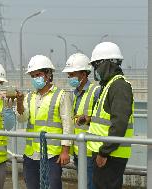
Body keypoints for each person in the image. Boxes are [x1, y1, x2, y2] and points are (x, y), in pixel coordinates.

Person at [16, 55, 74, 189]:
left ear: (48, 74)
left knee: (52, 186)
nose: (36, 78)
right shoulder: (29, 96)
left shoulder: (61, 95)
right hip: (31, 154)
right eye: (33, 75)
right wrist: (19, 103)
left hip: (52, 154)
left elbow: (67, 124)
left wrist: (65, 150)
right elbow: (22, 118)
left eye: (39, 74)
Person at [87, 42, 134, 189]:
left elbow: (119, 123)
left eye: (96, 65)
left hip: (111, 155)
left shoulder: (119, 86)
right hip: (105, 153)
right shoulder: (108, 85)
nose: (96, 70)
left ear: (108, 63)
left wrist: (104, 152)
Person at [62, 53, 100, 189]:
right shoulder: (74, 94)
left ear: (83, 75)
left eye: (72, 75)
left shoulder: (96, 91)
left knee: (90, 185)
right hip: (79, 150)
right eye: (69, 75)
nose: (70, 78)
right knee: (83, 184)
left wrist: (88, 119)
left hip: (91, 151)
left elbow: (104, 119)